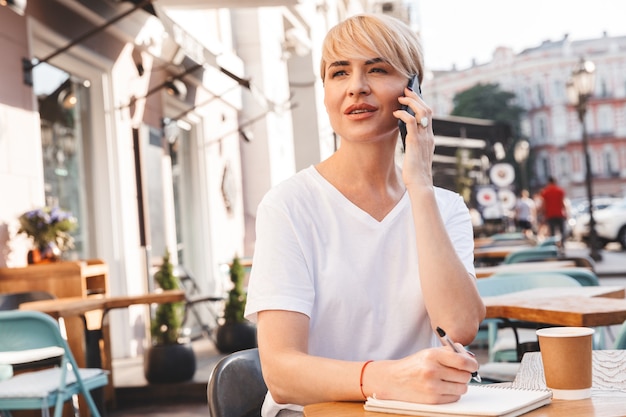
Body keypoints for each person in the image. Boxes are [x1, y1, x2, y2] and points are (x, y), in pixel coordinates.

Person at [244, 14, 485, 417]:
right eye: (340, 72)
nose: (356, 86)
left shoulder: (445, 207)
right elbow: (281, 373)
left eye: (377, 69)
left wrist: (420, 186)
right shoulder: (289, 205)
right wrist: (387, 378)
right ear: (326, 92)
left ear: (413, 90)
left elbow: (458, 327)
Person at [540, 176, 567, 249]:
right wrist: (565, 212)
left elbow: (544, 204)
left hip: (550, 215)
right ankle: (563, 245)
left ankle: (553, 246)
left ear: (549, 182)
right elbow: (562, 203)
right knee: (562, 231)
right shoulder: (560, 190)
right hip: (559, 214)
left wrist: (543, 214)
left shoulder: (545, 191)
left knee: (552, 232)